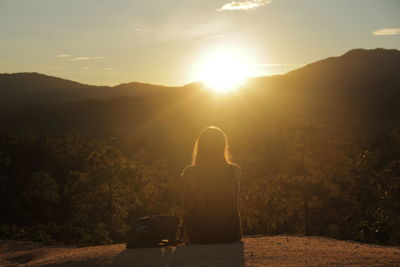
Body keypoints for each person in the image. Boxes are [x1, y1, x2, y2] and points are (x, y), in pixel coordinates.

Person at [181, 126, 242, 244]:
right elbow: (235, 201)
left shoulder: (190, 172)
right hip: (230, 233)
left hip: (198, 235)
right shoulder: (234, 171)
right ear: (222, 146)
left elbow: (185, 204)